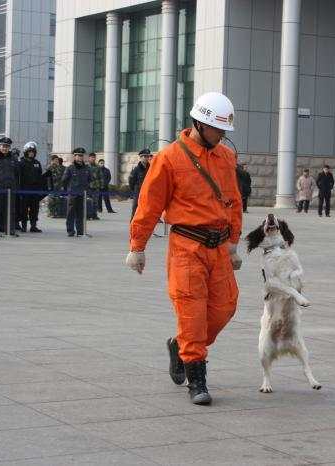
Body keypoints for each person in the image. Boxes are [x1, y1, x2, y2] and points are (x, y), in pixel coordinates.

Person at [126, 91, 242, 406]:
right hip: (186, 247)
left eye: (224, 132)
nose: (221, 136)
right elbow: (149, 205)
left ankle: (180, 346)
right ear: (200, 124)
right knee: (191, 312)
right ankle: (197, 379)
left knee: (224, 307)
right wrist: (137, 246)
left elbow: (232, 201)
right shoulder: (169, 158)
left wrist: (233, 242)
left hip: (218, 247)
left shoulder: (226, 157)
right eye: (218, 130)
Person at [62, 148, 91, 237]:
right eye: (78, 156)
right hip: (73, 193)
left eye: (81, 156)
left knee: (81, 213)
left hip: (82, 193)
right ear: (74, 157)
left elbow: (90, 179)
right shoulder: (70, 168)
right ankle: (70, 231)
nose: (79, 158)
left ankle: (80, 231)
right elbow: (64, 180)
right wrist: (68, 190)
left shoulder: (86, 168)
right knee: (71, 213)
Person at [17, 142, 45, 233]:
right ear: (26, 152)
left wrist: (40, 189)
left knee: (35, 208)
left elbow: (40, 177)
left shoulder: (37, 163)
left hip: (35, 190)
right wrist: (19, 190)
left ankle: (33, 226)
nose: (31, 153)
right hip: (24, 189)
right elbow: (19, 177)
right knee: (23, 209)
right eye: (30, 152)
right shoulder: (21, 163)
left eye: (33, 152)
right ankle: (24, 226)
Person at [128, 149, 152, 220]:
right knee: (135, 206)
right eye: (144, 156)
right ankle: (133, 220)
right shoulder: (136, 169)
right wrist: (135, 189)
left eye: (147, 157)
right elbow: (131, 181)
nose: (146, 158)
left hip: (148, 191)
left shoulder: (151, 168)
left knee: (148, 207)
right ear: (140, 157)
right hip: (138, 190)